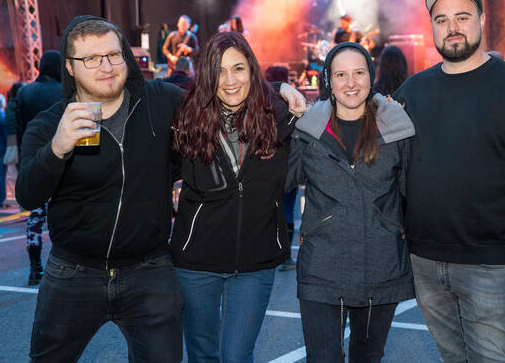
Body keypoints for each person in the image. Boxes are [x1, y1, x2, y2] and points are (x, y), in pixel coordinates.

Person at [393, 0, 505, 362]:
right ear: (433, 28)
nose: (452, 27)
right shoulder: (412, 92)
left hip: (490, 264)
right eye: (441, 20)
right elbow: (386, 165)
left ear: (482, 20)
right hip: (424, 262)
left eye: (462, 17)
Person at [16, 15, 186, 362]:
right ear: (70, 67)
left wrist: (278, 94)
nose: (106, 67)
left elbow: (223, 107)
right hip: (72, 272)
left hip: (149, 270)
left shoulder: (161, 101)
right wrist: (57, 149)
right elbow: (27, 194)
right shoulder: (50, 123)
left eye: (113, 55)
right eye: (91, 59)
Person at [170, 31, 298, 362]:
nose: (230, 80)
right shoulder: (186, 119)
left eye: (238, 69)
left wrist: (284, 89)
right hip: (196, 264)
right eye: (220, 71)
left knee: (237, 356)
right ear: (207, 75)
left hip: (255, 263)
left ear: (252, 71)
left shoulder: (279, 118)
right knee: (202, 355)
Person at [286, 42, 416, 362]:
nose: (350, 82)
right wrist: (287, 119)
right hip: (321, 271)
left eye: (358, 73)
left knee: (367, 358)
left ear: (371, 77)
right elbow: (283, 180)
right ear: (329, 80)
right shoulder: (308, 130)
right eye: (340, 74)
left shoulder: (396, 127)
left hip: (381, 269)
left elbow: (412, 194)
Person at [16, 50, 64, 286]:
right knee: (63, 210)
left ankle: (35, 268)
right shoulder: (62, 92)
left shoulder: (24, 92)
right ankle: (62, 266)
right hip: (61, 158)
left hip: (33, 158)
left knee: (35, 216)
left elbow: (20, 130)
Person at [264, 65, 298, 271]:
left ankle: (269, 250)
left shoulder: (261, 103)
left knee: (269, 209)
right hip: (289, 164)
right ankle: (285, 256)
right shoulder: (293, 100)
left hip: (267, 165)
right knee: (288, 209)